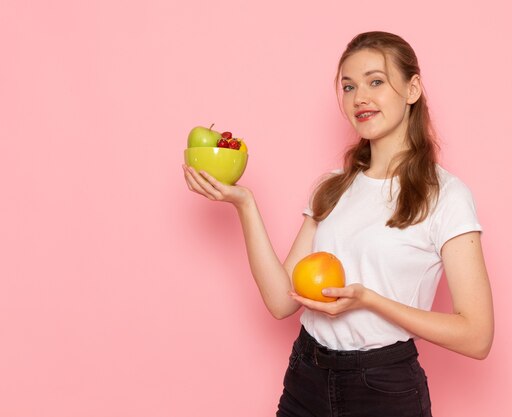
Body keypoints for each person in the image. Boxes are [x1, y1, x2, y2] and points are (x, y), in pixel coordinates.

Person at [182, 31, 494, 417]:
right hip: (306, 375)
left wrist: (369, 301)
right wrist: (245, 204)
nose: (359, 97)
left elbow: (477, 336)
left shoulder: (446, 196)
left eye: (375, 81)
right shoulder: (333, 186)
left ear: (412, 89)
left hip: (383, 390)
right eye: (348, 86)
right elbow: (282, 302)